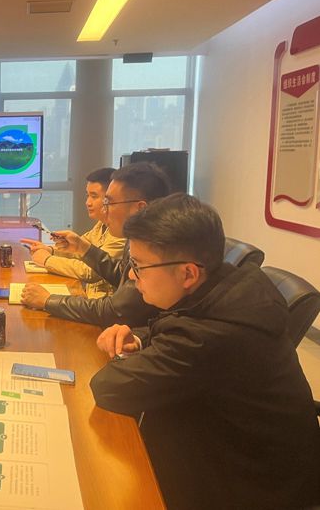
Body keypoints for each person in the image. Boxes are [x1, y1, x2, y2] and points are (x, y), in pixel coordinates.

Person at [90, 194, 320, 510]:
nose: (131, 276)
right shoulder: (234, 284)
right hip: (254, 456)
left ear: (188, 274)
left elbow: (110, 388)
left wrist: (128, 355)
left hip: (252, 486)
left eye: (139, 266)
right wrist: (139, 340)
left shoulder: (209, 336)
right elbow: (176, 326)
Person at [21, 162, 170, 327]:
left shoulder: (155, 248)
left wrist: (48, 300)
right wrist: (81, 248)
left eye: (109, 202)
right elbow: (120, 273)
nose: (104, 210)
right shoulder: (137, 238)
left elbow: (115, 310)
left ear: (139, 208)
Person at [21, 167, 125, 299]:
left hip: (101, 305)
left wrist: (47, 260)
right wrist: (50, 250)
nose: (87, 202)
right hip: (91, 300)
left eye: (94, 196)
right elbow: (79, 250)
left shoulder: (121, 233)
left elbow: (91, 272)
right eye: (87, 196)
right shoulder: (102, 224)